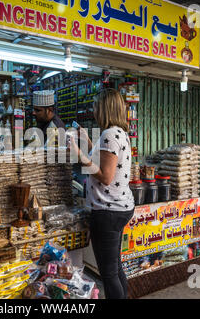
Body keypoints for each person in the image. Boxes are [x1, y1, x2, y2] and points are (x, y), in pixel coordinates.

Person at [68, 88, 135, 299]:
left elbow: (105, 175)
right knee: (115, 268)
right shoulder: (117, 132)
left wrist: (79, 155)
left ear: (104, 108)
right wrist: (87, 140)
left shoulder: (109, 134)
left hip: (108, 211)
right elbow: (102, 158)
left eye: (96, 106)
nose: (94, 110)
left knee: (108, 273)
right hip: (119, 207)